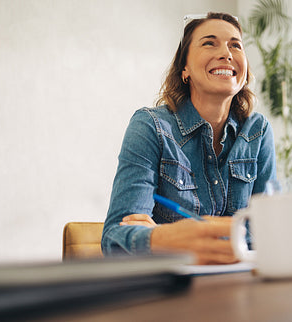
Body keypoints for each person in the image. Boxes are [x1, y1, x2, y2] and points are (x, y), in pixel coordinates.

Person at [101, 12, 277, 264]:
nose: (226, 53)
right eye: (209, 42)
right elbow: (114, 239)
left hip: (242, 285)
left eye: (235, 45)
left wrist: (162, 235)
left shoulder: (257, 130)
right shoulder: (150, 126)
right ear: (185, 69)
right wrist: (162, 239)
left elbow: (268, 233)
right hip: (175, 292)